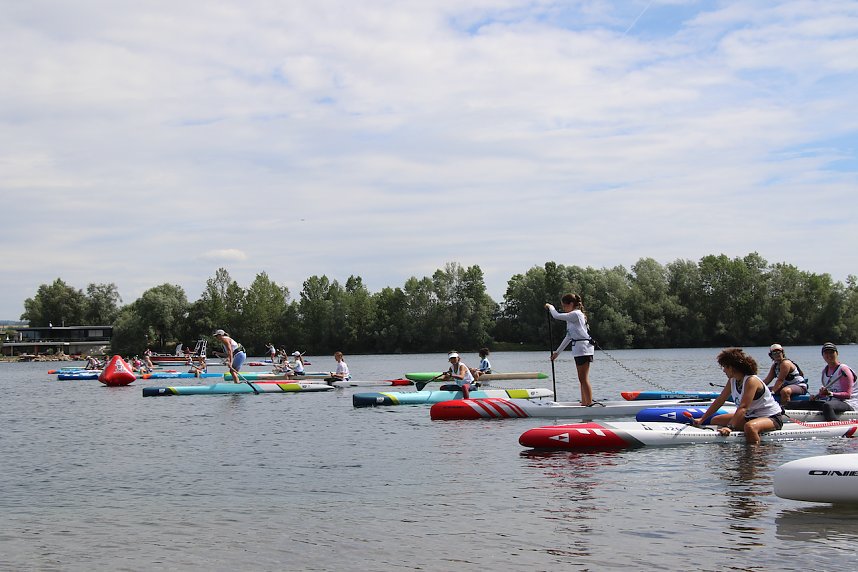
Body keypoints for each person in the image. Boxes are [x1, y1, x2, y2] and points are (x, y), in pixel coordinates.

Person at [692, 347, 784, 444]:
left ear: (731, 368)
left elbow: (743, 407)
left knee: (750, 427)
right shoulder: (732, 380)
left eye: (724, 367)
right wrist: (702, 419)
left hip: (771, 417)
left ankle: (755, 455)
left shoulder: (751, 381)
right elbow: (720, 400)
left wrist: (730, 427)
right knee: (716, 420)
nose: (723, 371)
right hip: (752, 416)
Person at [785, 342, 857, 421]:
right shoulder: (824, 371)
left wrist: (830, 393)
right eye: (826, 353)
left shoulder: (843, 370)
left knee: (827, 406)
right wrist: (818, 396)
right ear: (823, 355)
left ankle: (834, 428)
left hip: (849, 403)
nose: (829, 355)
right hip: (832, 401)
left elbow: (847, 395)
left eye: (831, 352)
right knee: (792, 404)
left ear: (837, 353)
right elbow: (827, 393)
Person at [546, 293, 595, 406]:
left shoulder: (576, 314)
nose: (563, 308)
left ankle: (589, 404)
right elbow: (568, 337)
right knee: (581, 379)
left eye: (564, 306)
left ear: (571, 304)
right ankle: (584, 402)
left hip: (584, 349)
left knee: (583, 378)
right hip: (578, 349)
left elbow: (556, 316)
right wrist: (557, 353)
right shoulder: (571, 317)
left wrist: (550, 307)